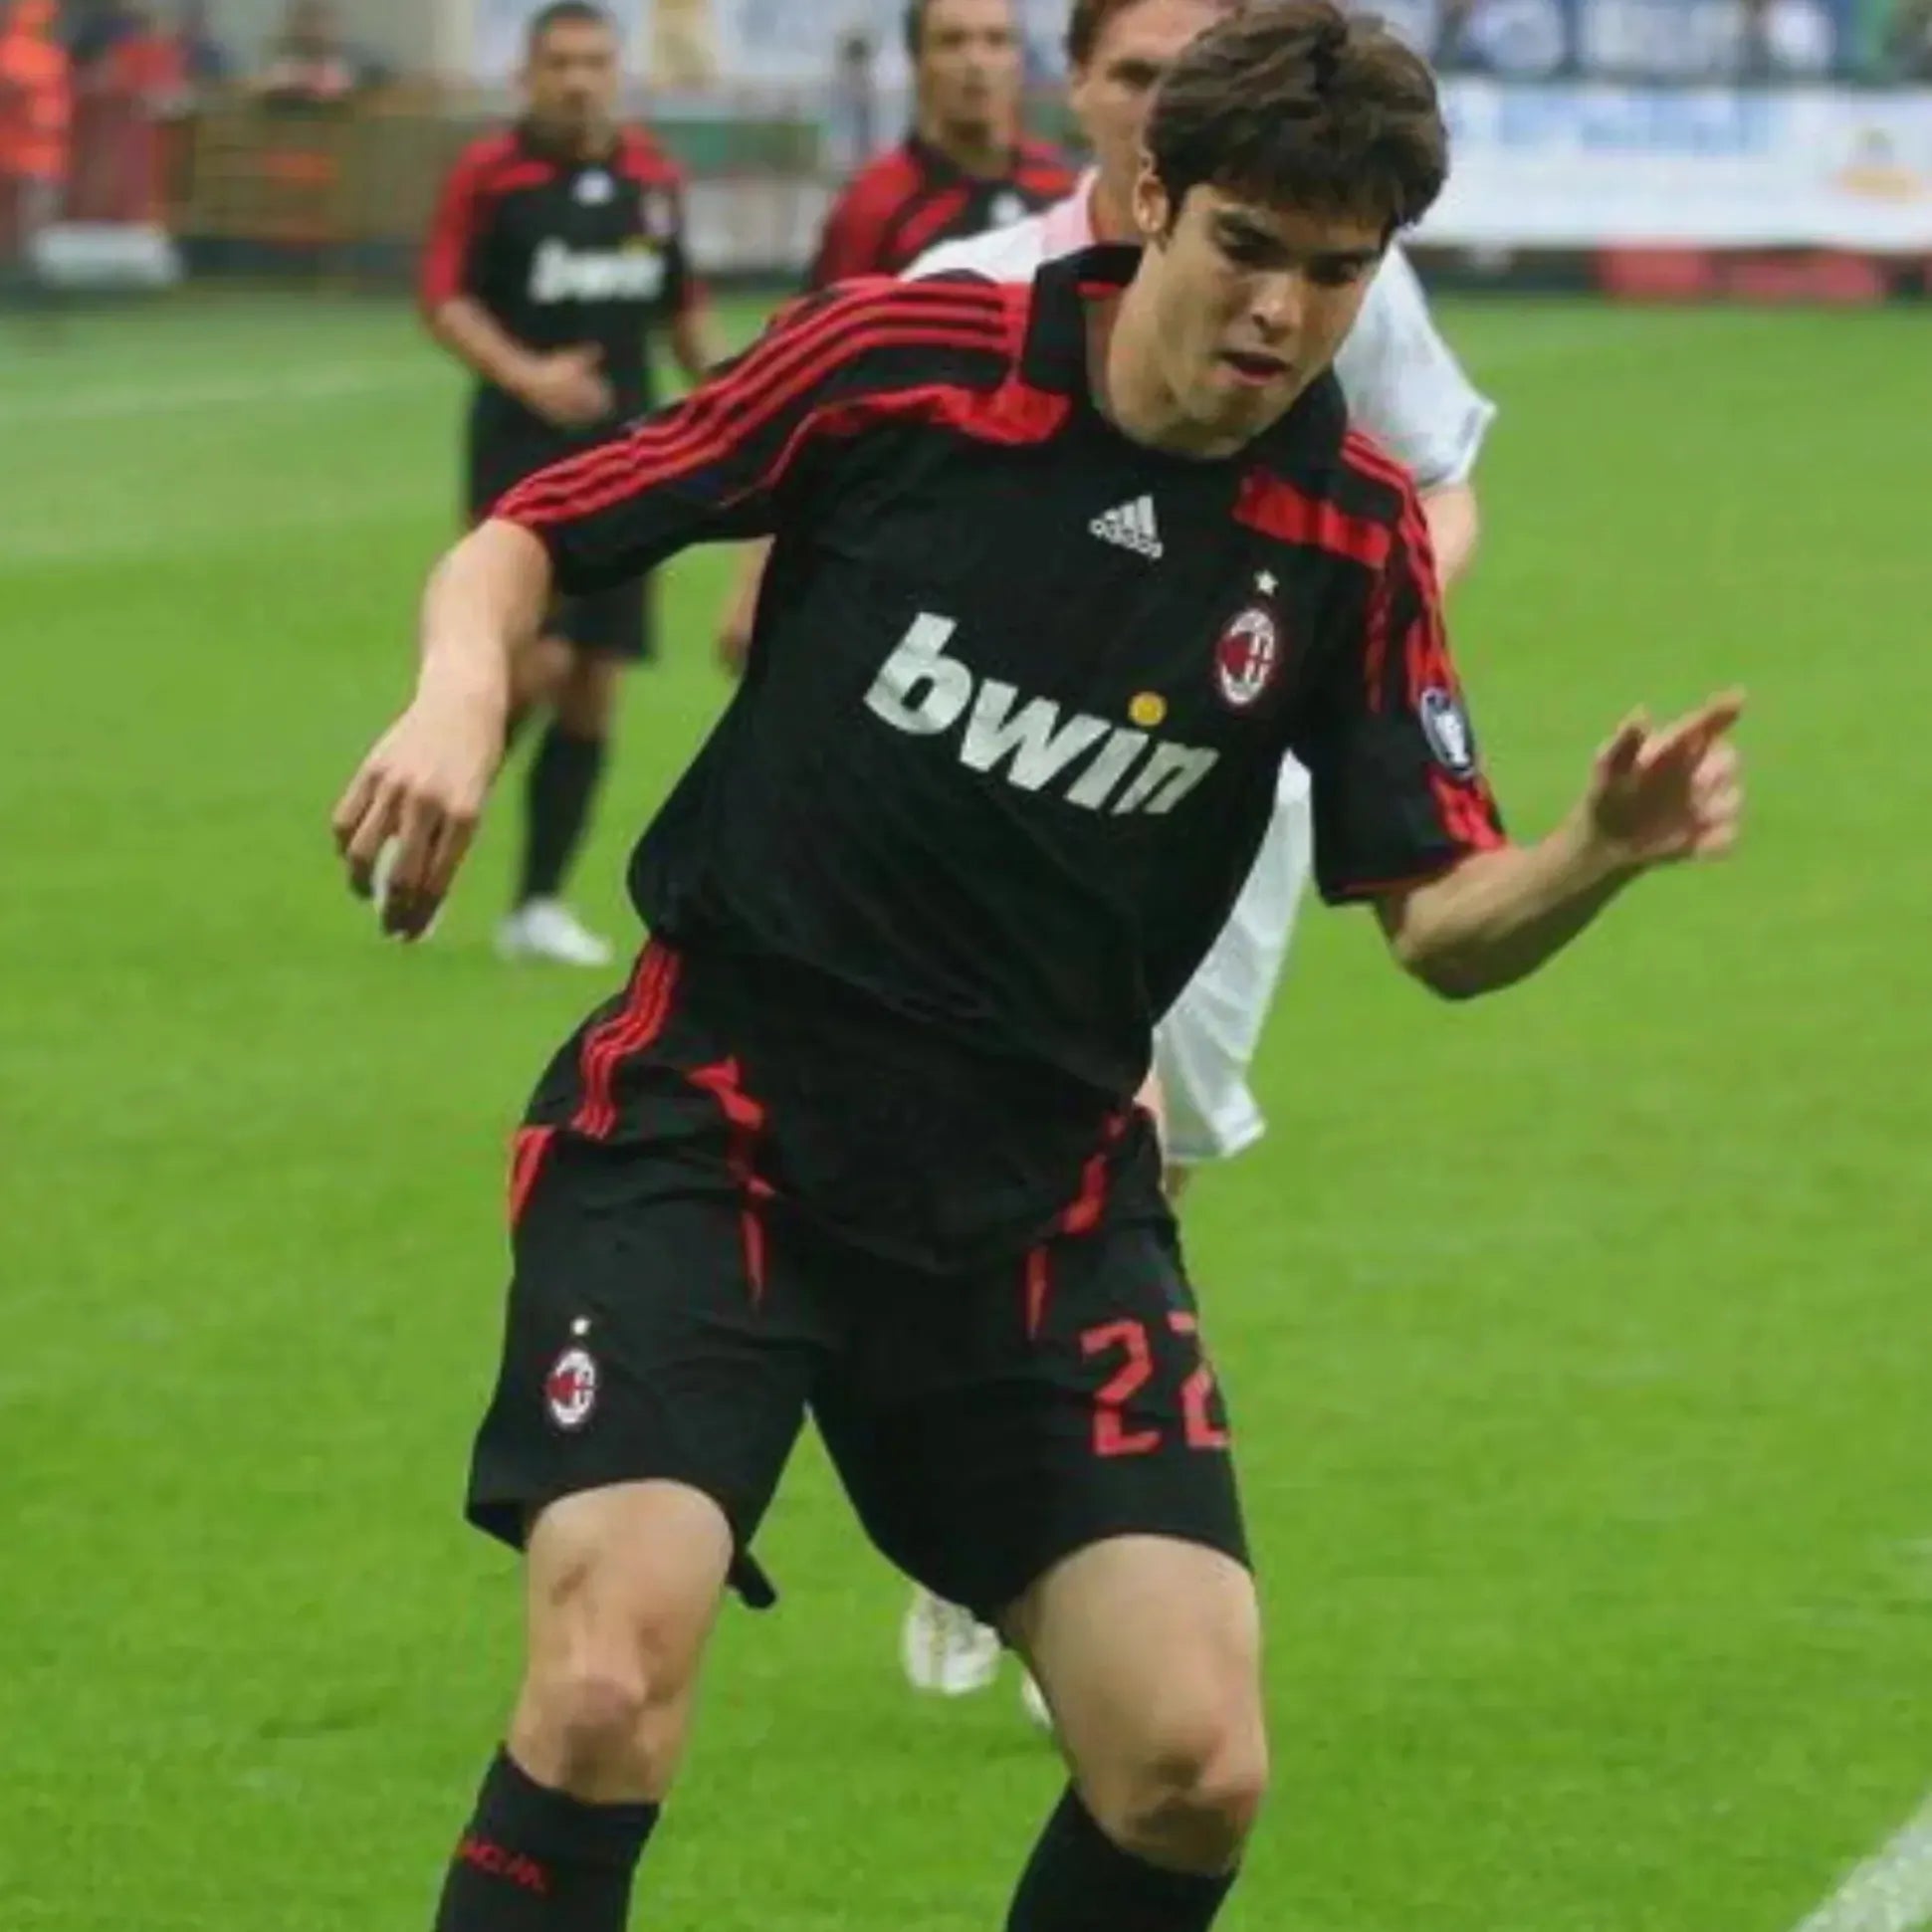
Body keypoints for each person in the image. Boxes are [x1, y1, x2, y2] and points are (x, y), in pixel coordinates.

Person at [332, 8, 1745, 1928]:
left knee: (1191, 1768)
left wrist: (1595, 852)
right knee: (602, 1689)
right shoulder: (905, 364)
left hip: (1038, 1189)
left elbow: (1437, 926)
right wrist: (453, 698)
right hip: (715, 1124)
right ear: (1149, 196)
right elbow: (528, 535)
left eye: (1338, 273)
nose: (1281, 312)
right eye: (1246, 247)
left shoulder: (1348, 538)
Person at [896, 0, 1499, 1706]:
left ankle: (1019, 1498)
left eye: (1188, 67)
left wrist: (1346, 623)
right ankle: (1011, 1517)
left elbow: (1435, 483)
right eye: (1137, 76)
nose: (1163, 98)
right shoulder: (974, 285)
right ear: (1089, 99)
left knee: (1152, 1161)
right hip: (994, 794)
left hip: (1240, 792)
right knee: (1035, 1135)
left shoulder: (1335, 275)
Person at [416, 0, 718, 966]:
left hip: (632, 459)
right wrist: (527, 375)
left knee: (593, 685)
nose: (579, 81)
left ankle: (537, 905)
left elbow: (681, 306)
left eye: (595, 63)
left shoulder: (650, 178)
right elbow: (444, 298)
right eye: (561, 64)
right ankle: (422, 823)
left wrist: (731, 394)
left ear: (616, 73)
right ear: (527, 76)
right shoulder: (491, 175)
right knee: (533, 664)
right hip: (519, 454)